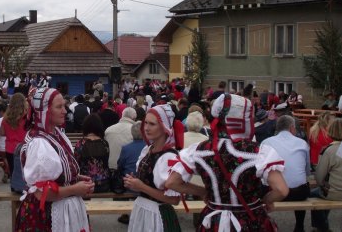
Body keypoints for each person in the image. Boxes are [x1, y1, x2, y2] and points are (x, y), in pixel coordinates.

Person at [166, 94, 290, 231]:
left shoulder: (199, 150)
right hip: (250, 220)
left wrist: (203, 192)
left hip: (214, 221)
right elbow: (281, 190)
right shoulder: (258, 152)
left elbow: (172, 182)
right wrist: (266, 200)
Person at [15, 88, 93, 231]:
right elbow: (41, 193)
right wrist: (75, 188)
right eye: (59, 107)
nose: (65, 111)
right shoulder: (39, 144)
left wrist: (74, 177)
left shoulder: (56, 134)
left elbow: (57, 174)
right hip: (47, 215)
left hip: (65, 209)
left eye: (64, 105)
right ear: (44, 112)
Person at [123, 104, 182, 232]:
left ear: (164, 127)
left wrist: (141, 186)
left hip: (158, 214)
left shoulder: (169, 157)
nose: (146, 128)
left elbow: (174, 199)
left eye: (152, 124)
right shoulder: (148, 149)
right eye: (146, 123)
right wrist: (134, 182)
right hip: (142, 209)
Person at [261, 115, 310, 232]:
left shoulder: (265, 142)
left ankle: (264, 222)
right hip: (299, 193)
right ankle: (299, 226)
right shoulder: (302, 143)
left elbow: (261, 170)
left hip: (273, 191)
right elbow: (307, 171)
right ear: (292, 128)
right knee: (302, 185)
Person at [311, 118, 342, 232]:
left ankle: (321, 227)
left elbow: (319, 177)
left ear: (331, 131)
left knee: (313, 194)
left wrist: (322, 184)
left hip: (334, 193)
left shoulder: (329, 150)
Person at [0, 93, 28, 182]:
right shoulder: (27, 117)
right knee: (25, 173)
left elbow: (2, 133)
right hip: (24, 148)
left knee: (13, 172)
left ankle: (14, 188)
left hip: (10, 148)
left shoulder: (6, 118)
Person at [74, 114, 111, 193]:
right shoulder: (104, 143)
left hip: (85, 184)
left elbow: (76, 163)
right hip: (103, 184)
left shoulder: (80, 144)